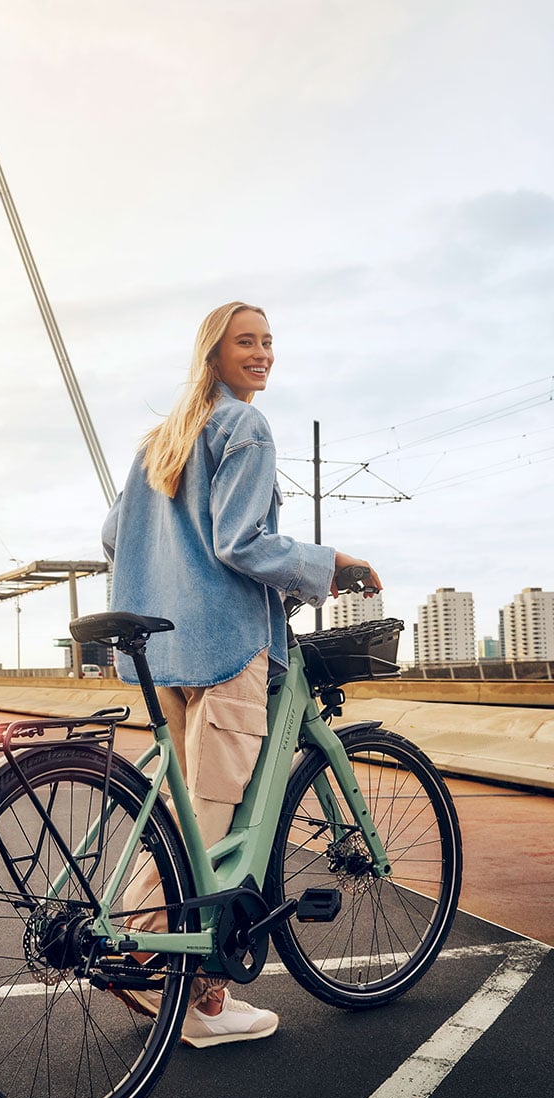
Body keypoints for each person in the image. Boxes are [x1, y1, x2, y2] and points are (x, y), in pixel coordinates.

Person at [101, 301, 381, 1048]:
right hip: (226, 647)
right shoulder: (244, 427)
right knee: (211, 824)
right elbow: (240, 543)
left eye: (267, 342)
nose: (261, 354)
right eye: (245, 342)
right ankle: (182, 990)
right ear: (215, 355)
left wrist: (166, 570)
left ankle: (156, 963)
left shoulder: (164, 437)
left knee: (184, 815)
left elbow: (112, 533)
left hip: (163, 652)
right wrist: (332, 562)